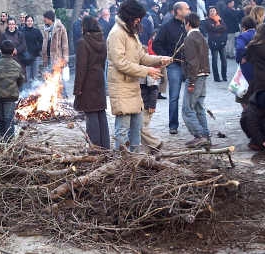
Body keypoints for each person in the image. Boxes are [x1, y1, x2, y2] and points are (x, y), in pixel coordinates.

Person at [107, 0, 172, 152]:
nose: (139, 21)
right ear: (129, 16)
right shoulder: (117, 33)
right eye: (137, 18)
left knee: (136, 128)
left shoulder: (131, 32)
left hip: (133, 87)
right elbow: (120, 63)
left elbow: (141, 56)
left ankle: (135, 160)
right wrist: (146, 71)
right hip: (121, 87)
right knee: (122, 130)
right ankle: (122, 162)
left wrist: (159, 59)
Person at [153, 1, 191, 135]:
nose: (189, 10)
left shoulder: (189, 25)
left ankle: (193, 124)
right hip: (174, 65)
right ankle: (173, 125)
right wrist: (168, 57)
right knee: (174, 96)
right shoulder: (167, 26)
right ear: (178, 11)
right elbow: (156, 44)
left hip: (189, 65)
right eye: (186, 9)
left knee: (193, 96)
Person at [74, 16, 110, 149]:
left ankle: (95, 149)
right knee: (100, 113)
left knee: (91, 114)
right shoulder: (102, 40)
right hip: (99, 79)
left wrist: (77, 89)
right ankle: (105, 147)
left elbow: (81, 68)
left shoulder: (82, 42)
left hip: (88, 81)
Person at [182, 13, 211, 148]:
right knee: (199, 106)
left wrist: (192, 82)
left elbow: (192, 62)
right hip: (203, 74)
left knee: (187, 109)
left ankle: (199, 136)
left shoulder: (190, 38)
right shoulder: (201, 36)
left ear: (188, 23)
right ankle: (206, 135)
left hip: (196, 76)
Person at [0, 40, 25, 141]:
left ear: (1, 51)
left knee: (0, 119)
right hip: (10, 96)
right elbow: (21, 80)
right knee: (9, 119)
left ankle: (1, 139)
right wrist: (15, 89)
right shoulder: (17, 65)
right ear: (13, 51)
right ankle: (9, 142)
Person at [206, 6, 228, 82]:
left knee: (224, 60)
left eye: (213, 10)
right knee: (215, 60)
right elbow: (212, 29)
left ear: (216, 11)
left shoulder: (220, 19)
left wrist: (217, 27)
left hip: (222, 42)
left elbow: (225, 28)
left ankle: (224, 76)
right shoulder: (208, 21)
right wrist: (219, 28)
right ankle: (216, 77)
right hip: (213, 43)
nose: (212, 12)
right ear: (209, 13)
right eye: (211, 11)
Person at [23, 15, 43, 83]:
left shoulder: (37, 31)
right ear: (25, 22)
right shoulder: (22, 32)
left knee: (35, 77)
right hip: (26, 57)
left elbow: (41, 41)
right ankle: (29, 92)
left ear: (33, 22)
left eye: (31, 21)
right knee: (28, 77)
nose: (30, 22)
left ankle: (35, 92)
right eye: (28, 21)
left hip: (35, 56)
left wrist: (37, 48)